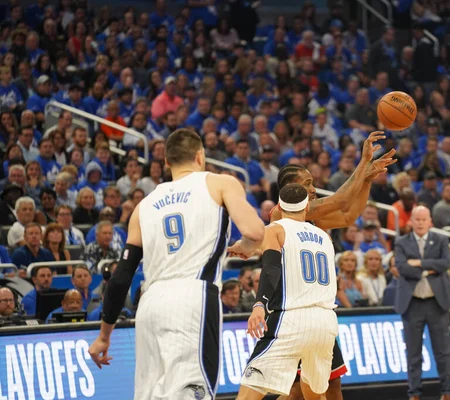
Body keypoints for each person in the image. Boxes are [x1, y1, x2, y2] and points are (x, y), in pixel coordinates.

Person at [88, 128, 265, 399]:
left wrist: (104, 336)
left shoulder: (143, 206)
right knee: (190, 392)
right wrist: (246, 247)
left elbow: (121, 277)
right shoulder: (220, 183)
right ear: (200, 156)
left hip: (150, 303)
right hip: (193, 297)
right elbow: (254, 232)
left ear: (167, 163)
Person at [268, 131, 395, 400]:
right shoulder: (283, 212)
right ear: (289, 189)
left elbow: (348, 214)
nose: (313, 189)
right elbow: (339, 200)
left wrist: (369, 179)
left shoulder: (312, 216)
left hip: (319, 313)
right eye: (307, 183)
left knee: (331, 385)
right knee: (297, 390)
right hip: (295, 312)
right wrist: (363, 165)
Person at [236, 183, 338, 400]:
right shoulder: (325, 238)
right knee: (315, 395)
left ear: (278, 207)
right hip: (325, 322)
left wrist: (259, 305)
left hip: (292, 319)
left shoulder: (276, 229)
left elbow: (271, 269)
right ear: (307, 206)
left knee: (248, 393)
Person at [394, 205, 450, 400]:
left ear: (430, 221)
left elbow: (446, 263)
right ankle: (414, 393)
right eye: (417, 219)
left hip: (437, 303)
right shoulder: (401, 242)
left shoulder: (441, 239)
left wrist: (419, 263)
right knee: (413, 353)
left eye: (423, 219)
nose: (420, 223)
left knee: (443, 351)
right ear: (411, 221)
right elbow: (402, 267)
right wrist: (430, 268)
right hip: (412, 304)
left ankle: (447, 392)